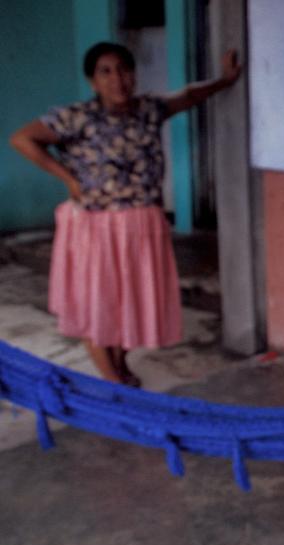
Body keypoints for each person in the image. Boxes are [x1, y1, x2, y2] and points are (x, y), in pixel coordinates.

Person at [9, 41, 241, 385]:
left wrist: (223, 81)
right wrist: (68, 178)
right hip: (96, 226)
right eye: (105, 71)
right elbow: (22, 139)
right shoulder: (77, 117)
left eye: (123, 70)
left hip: (141, 224)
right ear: (92, 81)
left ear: (133, 74)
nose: (117, 79)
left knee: (126, 303)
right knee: (98, 304)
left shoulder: (149, 109)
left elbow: (189, 96)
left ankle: (120, 366)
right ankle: (115, 386)